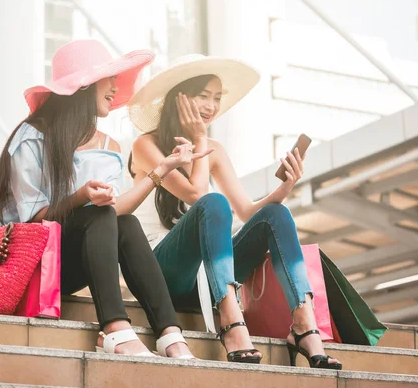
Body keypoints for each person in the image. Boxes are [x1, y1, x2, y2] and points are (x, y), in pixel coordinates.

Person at [0, 40, 210, 359]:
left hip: (68, 263)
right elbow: (30, 220)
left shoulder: (108, 146)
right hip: (26, 265)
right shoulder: (31, 137)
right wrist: (80, 196)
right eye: (109, 78)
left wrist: (160, 170)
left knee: (123, 221)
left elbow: (115, 211)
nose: (116, 86)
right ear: (84, 86)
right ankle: (115, 329)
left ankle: (170, 334)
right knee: (102, 216)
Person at [127, 54, 342, 369]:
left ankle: (305, 325)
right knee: (213, 203)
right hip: (162, 271)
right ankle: (231, 323)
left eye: (216, 98)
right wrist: (199, 141)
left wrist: (285, 187)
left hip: (209, 276)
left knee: (277, 215)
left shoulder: (215, 150)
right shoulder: (145, 146)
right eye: (203, 96)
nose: (211, 106)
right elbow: (198, 195)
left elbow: (247, 211)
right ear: (178, 98)